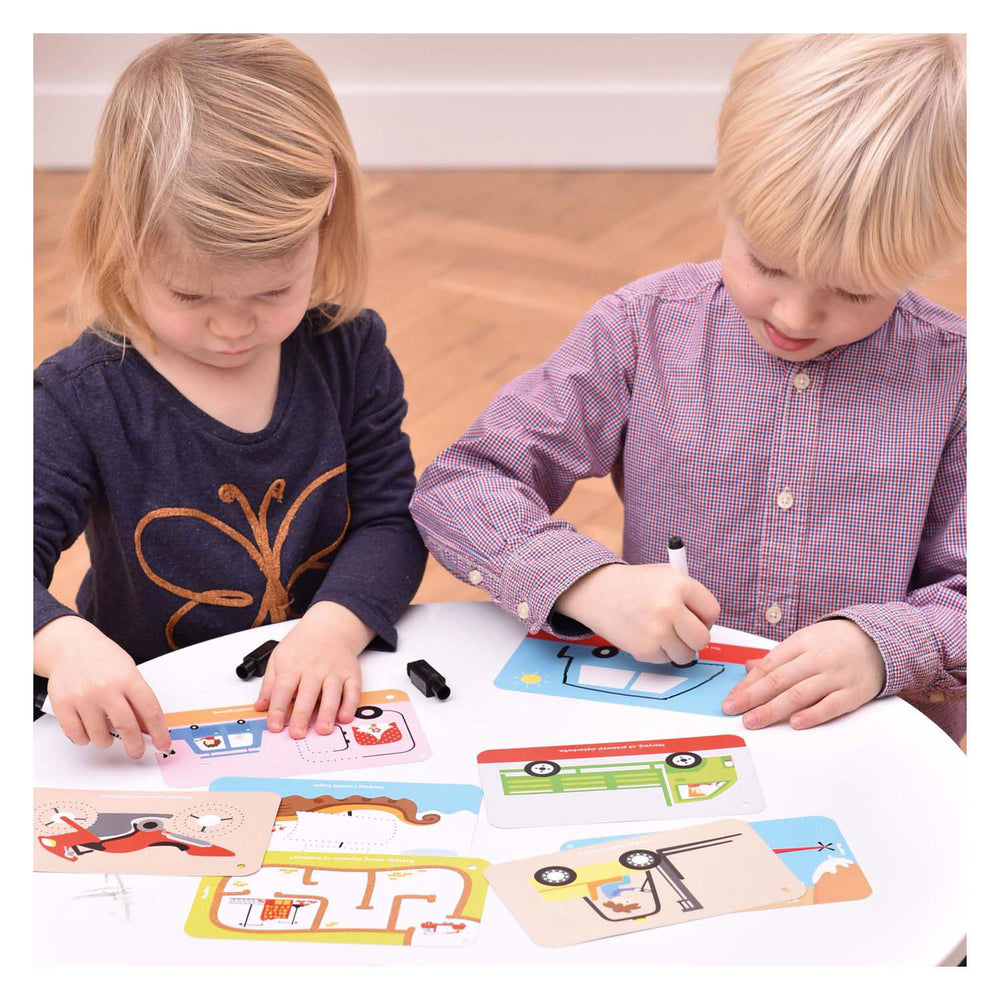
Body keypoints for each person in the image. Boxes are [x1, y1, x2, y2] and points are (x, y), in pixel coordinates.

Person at [410, 34, 966, 743]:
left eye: (855, 291)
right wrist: (588, 583)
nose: (796, 317)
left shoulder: (960, 376)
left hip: (875, 743)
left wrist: (884, 647)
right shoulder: (643, 327)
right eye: (768, 264)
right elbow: (463, 485)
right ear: (728, 194)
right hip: (670, 723)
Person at [34, 35, 427, 758]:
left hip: (324, 693)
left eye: (274, 291)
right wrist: (63, 643)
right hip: (149, 714)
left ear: (324, 225)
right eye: (189, 295)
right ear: (121, 242)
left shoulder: (351, 353)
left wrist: (332, 630)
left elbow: (391, 519)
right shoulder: (76, 398)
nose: (232, 327)